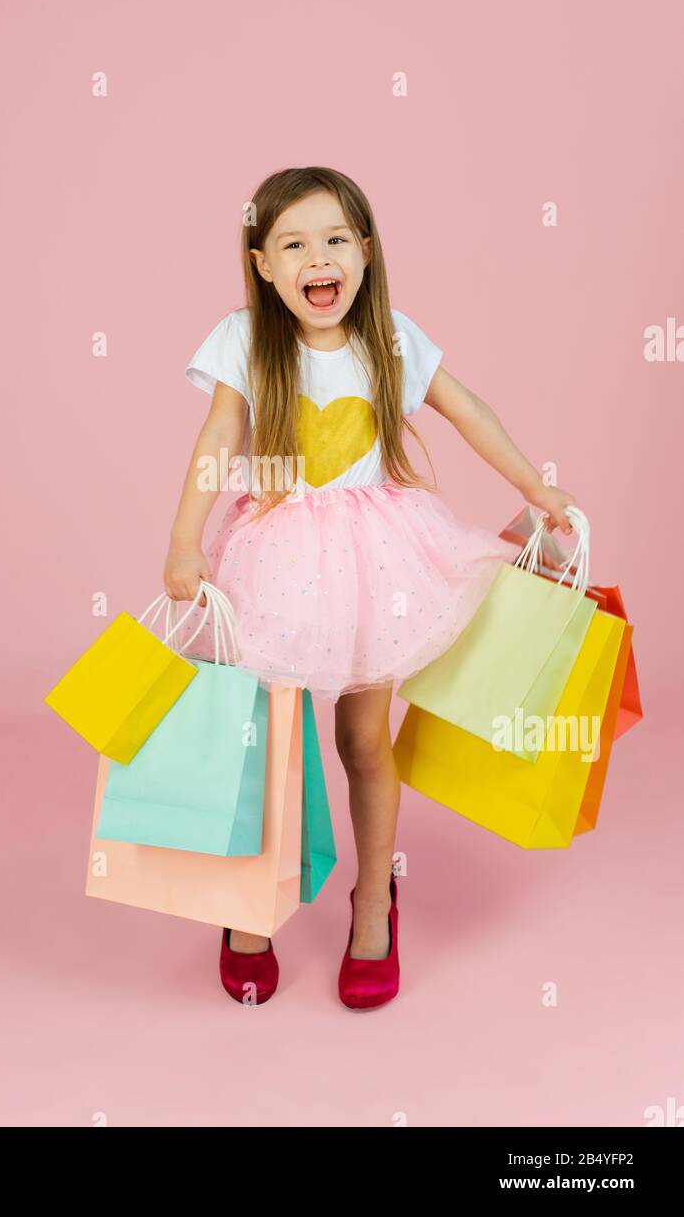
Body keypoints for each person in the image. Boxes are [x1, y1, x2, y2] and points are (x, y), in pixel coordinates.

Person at [164, 165, 577, 1010]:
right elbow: (215, 439)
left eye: (334, 240)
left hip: (376, 557)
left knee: (363, 739)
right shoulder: (243, 340)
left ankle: (372, 903)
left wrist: (536, 488)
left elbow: (466, 412)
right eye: (293, 244)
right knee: (271, 743)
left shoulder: (389, 337)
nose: (318, 259)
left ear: (363, 251)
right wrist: (181, 541)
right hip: (275, 555)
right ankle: (250, 905)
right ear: (264, 265)